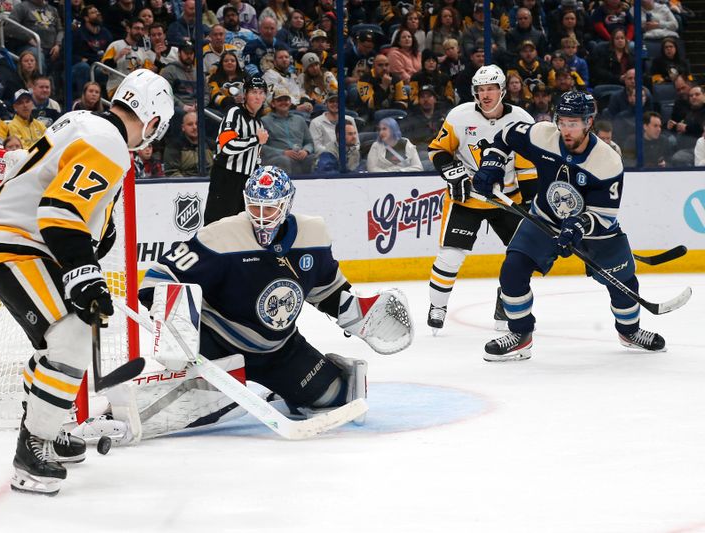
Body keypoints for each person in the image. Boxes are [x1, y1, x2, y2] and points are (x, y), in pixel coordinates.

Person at [91, 165, 411, 442]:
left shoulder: (312, 235)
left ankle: (281, 389)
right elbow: (158, 279)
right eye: (254, 207)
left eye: (269, 209)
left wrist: (357, 315)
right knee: (202, 410)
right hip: (219, 346)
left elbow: (327, 290)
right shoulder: (222, 237)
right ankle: (114, 415)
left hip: (281, 351)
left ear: (285, 205)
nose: (260, 217)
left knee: (336, 398)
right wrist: (177, 327)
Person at [0, 69, 173, 496]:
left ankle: (50, 425)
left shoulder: (84, 123)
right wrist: (84, 277)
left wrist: (93, 248)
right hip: (20, 244)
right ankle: (34, 448)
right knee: (74, 335)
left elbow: (71, 212)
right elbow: (61, 212)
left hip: (21, 240)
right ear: (153, 120)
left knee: (57, 343)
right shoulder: (110, 142)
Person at [472, 91, 666, 362]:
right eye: (562, 121)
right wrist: (492, 163)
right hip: (545, 218)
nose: (566, 129)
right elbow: (506, 135)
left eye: (573, 123)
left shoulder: (606, 161)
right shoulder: (543, 135)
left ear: (589, 122)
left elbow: (604, 214)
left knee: (624, 282)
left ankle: (629, 331)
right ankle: (520, 335)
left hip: (596, 230)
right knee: (513, 270)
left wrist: (577, 226)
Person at [426, 65, 536, 331]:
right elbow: (438, 151)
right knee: (450, 256)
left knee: (522, 258)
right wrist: (451, 172)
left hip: (507, 198)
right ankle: (437, 305)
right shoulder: (459, 116)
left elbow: (528, 166)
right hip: (467, 197)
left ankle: (506, 302)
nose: (485, 95)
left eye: (491, 89)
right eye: (481, 90)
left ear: (502, 90)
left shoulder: (521, 119)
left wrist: (533, 202)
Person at [203, 76, 269, 225]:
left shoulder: (259, 124)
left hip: (246, 183)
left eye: (261, 92)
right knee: (217, 225)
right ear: (245, 94)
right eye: (253, 92)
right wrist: (256, 140)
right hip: (226, 177)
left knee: (241, 228)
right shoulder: (235, 113)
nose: (258, 96)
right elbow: (227, 146)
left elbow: (256, 158)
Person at [260, 86, 317, 175]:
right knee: (284, 160)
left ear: (290, 102)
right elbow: (261, 147)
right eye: (279, 100)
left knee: (317, 158)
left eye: (286, 100)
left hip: (300, 157)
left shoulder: (300, 120)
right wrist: (283, 152)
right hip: (277, 158)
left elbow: (309, 142)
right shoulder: (264, 121)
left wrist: (306, 151)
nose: (284, 103)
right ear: (273, 103)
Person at [164, 110, 214, 176]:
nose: (194, 127)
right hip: (184, 184)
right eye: (190, 124)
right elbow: (171, 172)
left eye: (197, 124)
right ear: (183, 127)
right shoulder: (174, 146)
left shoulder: (211, 144)